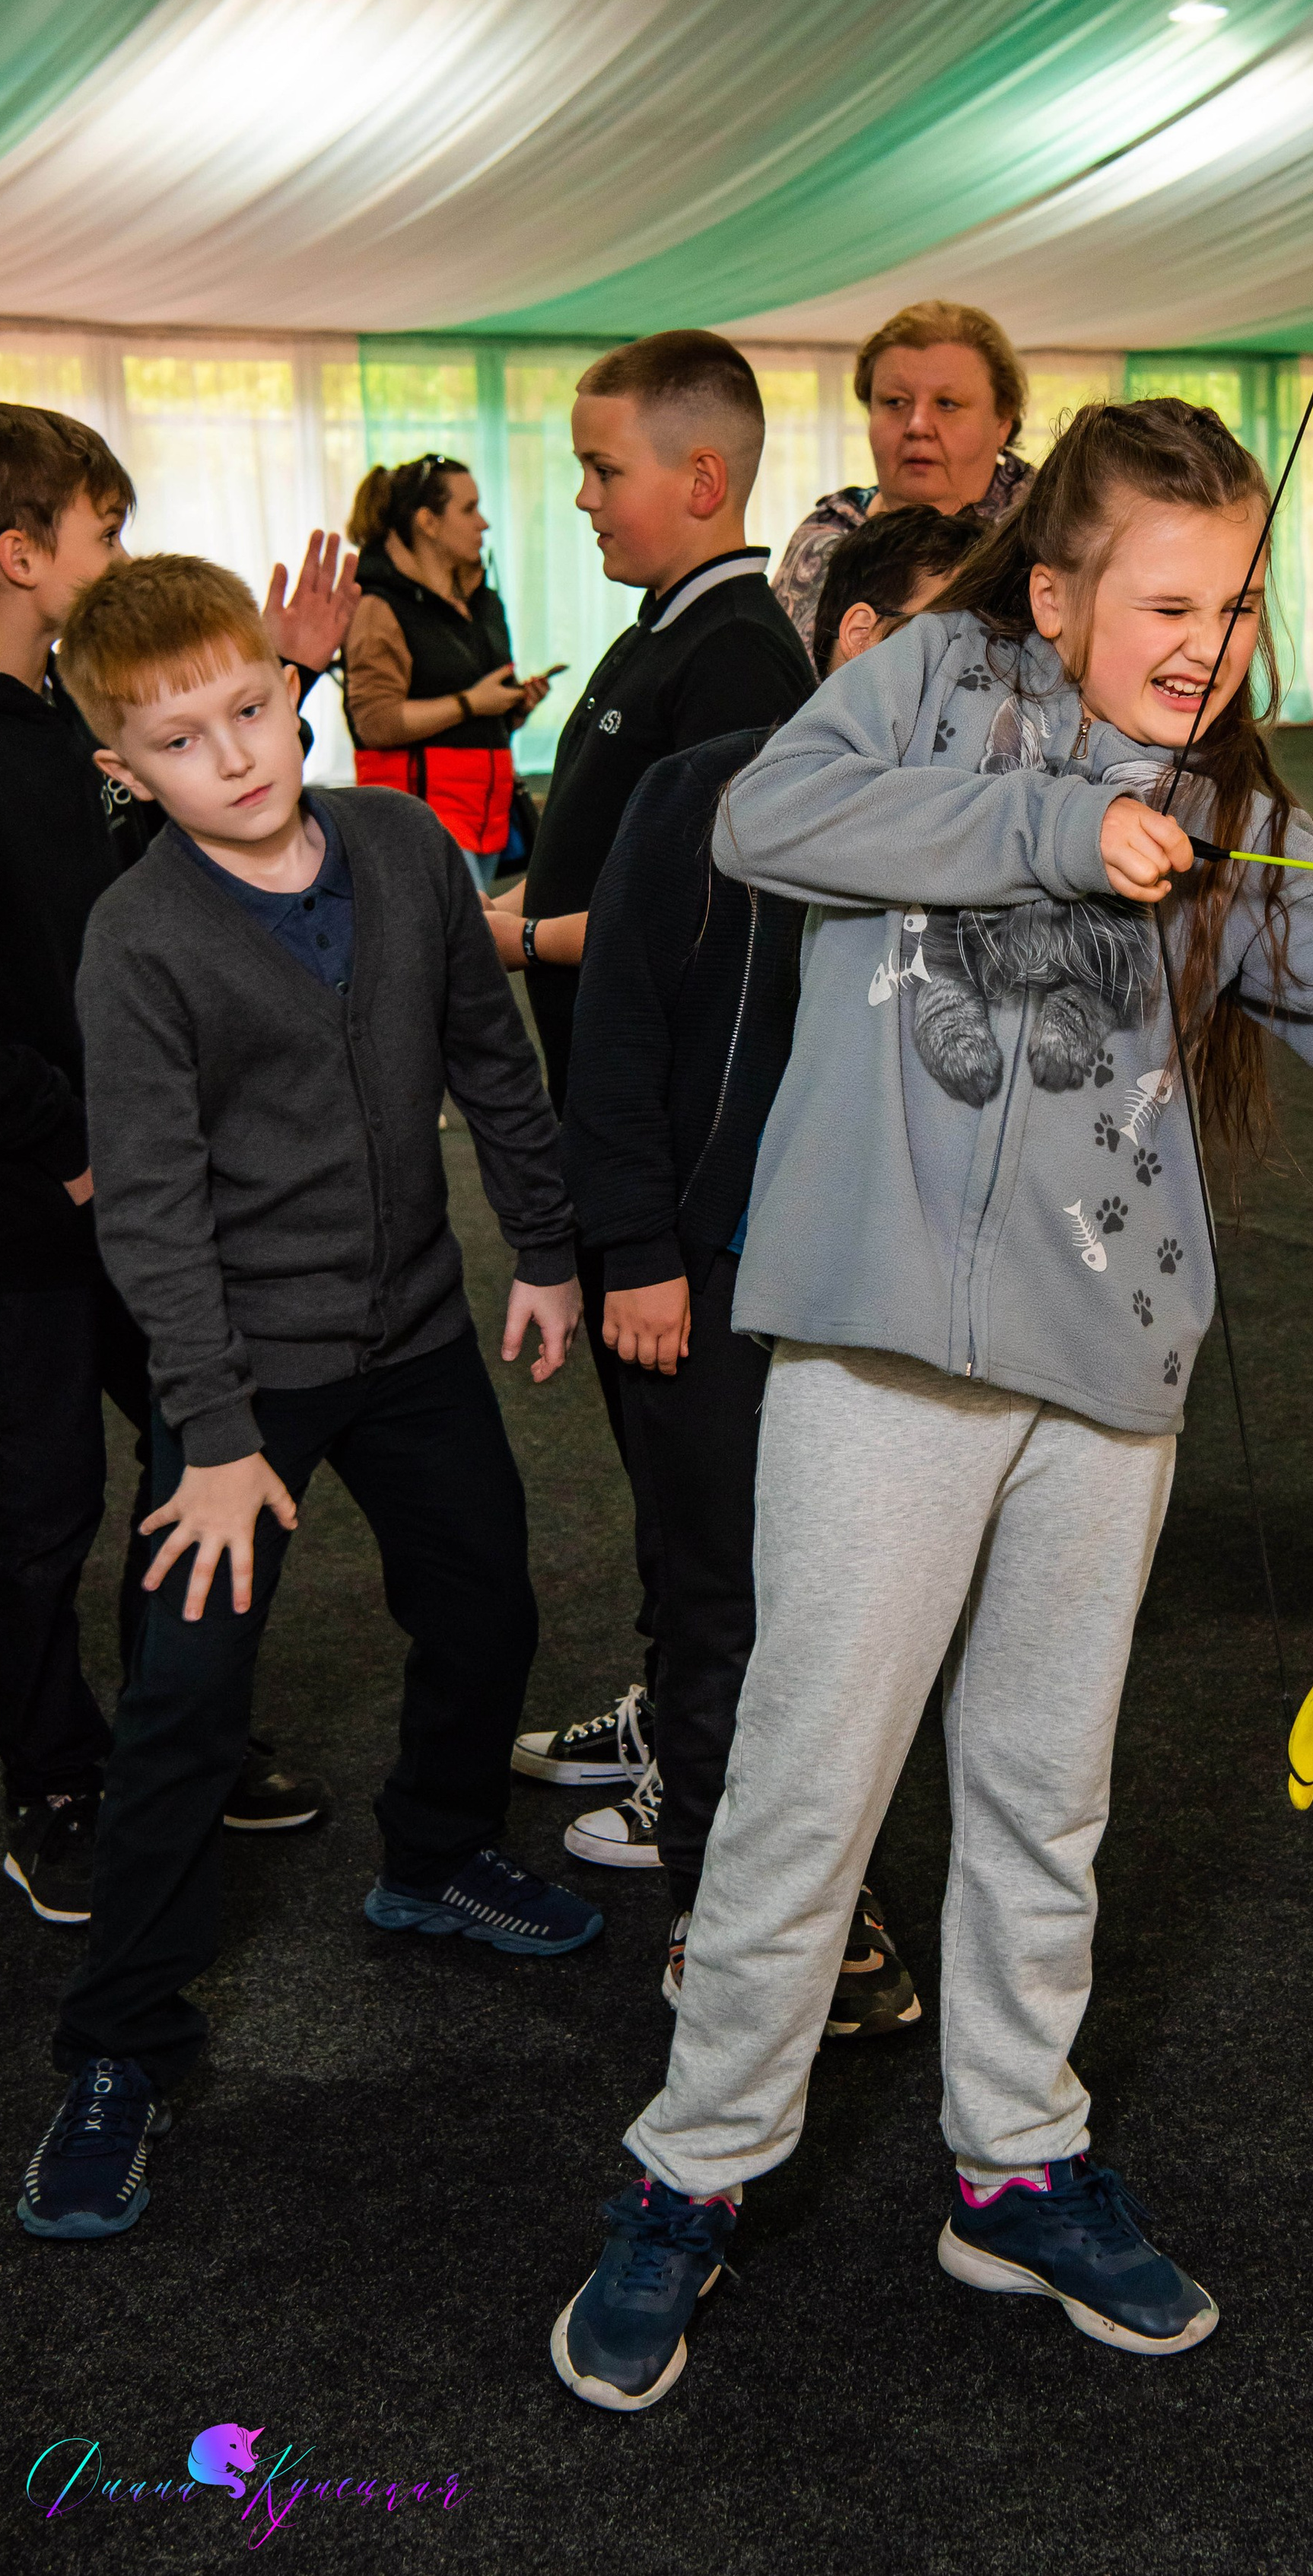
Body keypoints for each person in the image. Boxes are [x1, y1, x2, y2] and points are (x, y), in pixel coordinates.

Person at [545, 397, 1313, 2410]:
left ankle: (1013, 2161)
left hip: (1108, 1374)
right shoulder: (932, 687)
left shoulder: (1234, 810)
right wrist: (1050, 822)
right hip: (886, 1368)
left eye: (1242, 599)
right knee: (804, 1789)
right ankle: (695, 2171)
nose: (1210, 638)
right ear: (1057, 591)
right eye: (1168, 598)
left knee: (1043, 1785)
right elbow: (768, 822)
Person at [17, 555, 596, 2243]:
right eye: (185, 742)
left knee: (487, 1606)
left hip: (413, 1336)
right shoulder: (139, 938)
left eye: (253, 710)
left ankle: (429, 1855)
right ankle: (121, 2046)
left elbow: (491, 1061)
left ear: (295, 685)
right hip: (242, 1383)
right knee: (185, 1700)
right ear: (125, 769)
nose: (239, 757)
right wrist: (206, 1433)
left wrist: (545, 1255)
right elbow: (151, 1205)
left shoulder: (410, 850)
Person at [555, 510, 978, 2059]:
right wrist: (638, 1254)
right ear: (861, 641)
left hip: (865, 1296)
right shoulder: (703, 792)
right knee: (719, 1603)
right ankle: (717, 1912)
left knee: (843, 1611)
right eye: (961, 647)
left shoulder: (970, 825)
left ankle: (829, 1881)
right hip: (705, 1277)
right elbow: (613, 1045)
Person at [0, 411, 349, 1931]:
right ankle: (58, 1781)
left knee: (212, 1454)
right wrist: (66, 1144)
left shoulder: (74, 723)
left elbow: (186, 822)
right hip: (20, 1206)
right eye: (103, 532)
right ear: (22, 554)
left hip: (135, 1188)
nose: (120, 559)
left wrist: (299, 682)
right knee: (32, 1511)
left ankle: (167, 1736)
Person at [495, 332, 813, 1799]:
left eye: (599, 468)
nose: (581, 499)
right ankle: (670, 1699)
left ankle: (705, 1767)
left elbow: (701, 924)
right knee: (664, 1477)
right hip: (628, 1134)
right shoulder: (660, 628)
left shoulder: (739, 648)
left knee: (706, 1491)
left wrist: (522, 936)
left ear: (700, 477)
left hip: (684, 1158)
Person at [768, 300, 1033, 638]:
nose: (917, 425)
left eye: (947, 404)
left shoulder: (1049, 536)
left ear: (1003, 422)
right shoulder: (821, 539)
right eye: (894, 402)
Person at [344, 454, 548, 887]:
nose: (484, 524)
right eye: (469, 509)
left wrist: (511, 709)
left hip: (488, 818)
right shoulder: (379, 607)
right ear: (428, 523)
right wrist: (472, 703)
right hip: (419, 822)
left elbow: (475, 723)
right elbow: (374, 723)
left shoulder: (483, 604)